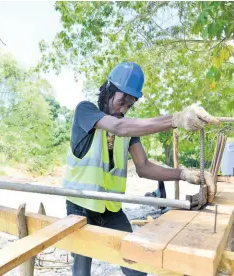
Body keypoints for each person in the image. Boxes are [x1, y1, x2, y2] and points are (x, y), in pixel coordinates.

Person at [63, 62, 218, 276]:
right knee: (81, 270)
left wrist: (183, 174)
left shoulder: (128, 129)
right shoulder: (86, 111)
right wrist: (176, 119)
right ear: (108, 91)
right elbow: (117, 127)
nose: (124, 109)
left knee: (136, 265)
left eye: (130, 104)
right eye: (122, 101)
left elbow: (144, 167)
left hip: (111, 210)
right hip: (80, 206)